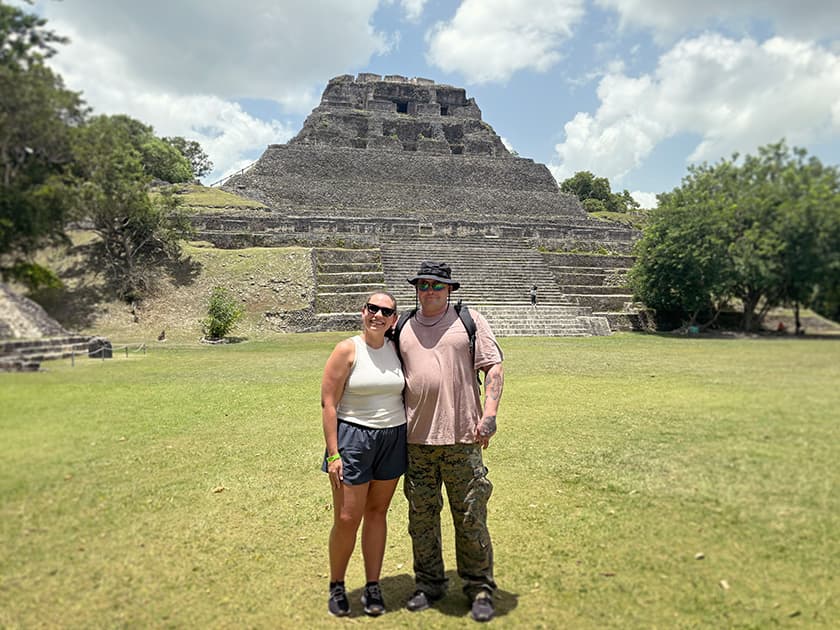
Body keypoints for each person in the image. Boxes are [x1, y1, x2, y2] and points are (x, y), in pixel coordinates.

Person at [398, 261, 505, 623]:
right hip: (416, 442)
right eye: (424, 284)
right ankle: (429, 584)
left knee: (471, 515)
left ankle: (479, 587)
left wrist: (488, 414)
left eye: (437, 286)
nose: (429, 290)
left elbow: (493, 366)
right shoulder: (403, 326)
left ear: (450, 290)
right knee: (421, 519)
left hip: (462, 437)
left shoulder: (469, 321)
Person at [320, 292, 407, 617]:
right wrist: (333, 454)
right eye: (373, 308)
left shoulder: (396, 348)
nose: (378, 315)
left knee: (377, 512)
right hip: (354, 438)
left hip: (392, 437)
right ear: (363, 311)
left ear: (394, 319)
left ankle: (373, 585)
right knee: (346, 519)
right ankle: (337, 585)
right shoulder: (347, 349)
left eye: (386, 311)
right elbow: (329, 403)